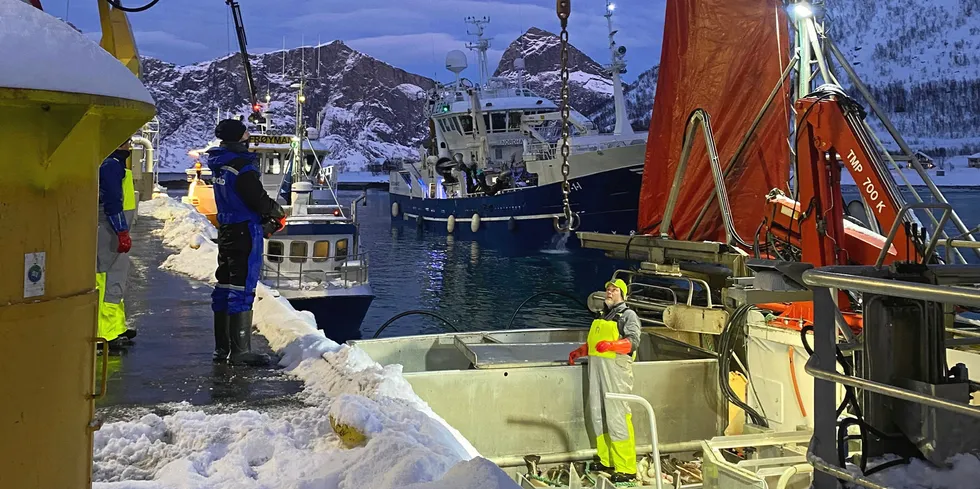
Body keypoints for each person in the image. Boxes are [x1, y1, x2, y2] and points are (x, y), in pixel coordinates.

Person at [206, 119, 286, 366]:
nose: (249, 135)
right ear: (239, 137)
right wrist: (276, 211)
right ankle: (241, 351)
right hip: (245, 230)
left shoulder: (219, 164)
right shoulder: (242, 166)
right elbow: (257, 198)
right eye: (246, 132)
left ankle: (222, 348)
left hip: (227, 228)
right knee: (243, 287)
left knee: (225, 285)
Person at [568, 279, 641, 483]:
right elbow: (594, 343)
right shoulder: (602, 315)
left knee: (617, 417)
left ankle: (626, 467)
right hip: (598, 371)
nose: (609, 292)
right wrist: (581, 351)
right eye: (608, 289)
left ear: (622, 295)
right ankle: (606, 459)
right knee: (598, 414)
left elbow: (633, 342)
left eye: (614, 290)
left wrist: (612, 345)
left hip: (616, 373)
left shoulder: (628, 315)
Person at [97, 139, 139, 351]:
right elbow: (112, 201)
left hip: (114, 231)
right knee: (105, 279)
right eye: (126, 142)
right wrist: (121, 230)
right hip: (109, 230)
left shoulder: (115, 163)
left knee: (117, 278)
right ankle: (103, 334)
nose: (130, 145)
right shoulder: (111, 165)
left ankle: (115, 327)